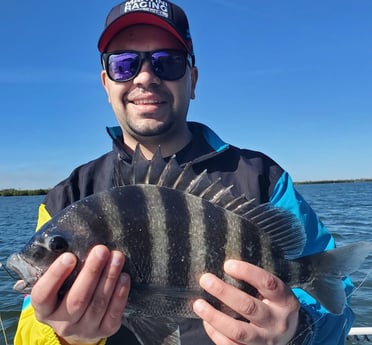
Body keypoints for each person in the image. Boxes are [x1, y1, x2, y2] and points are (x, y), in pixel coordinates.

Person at [14, 1, 355, 344]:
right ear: (106, 83)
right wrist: (63, 336)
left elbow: (337, 302)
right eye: (124, 64)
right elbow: (28, 329)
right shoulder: (68, 197)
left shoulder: (263, 178)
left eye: (168, 62)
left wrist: (298, 331)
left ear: (192, 80)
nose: (146, 77)